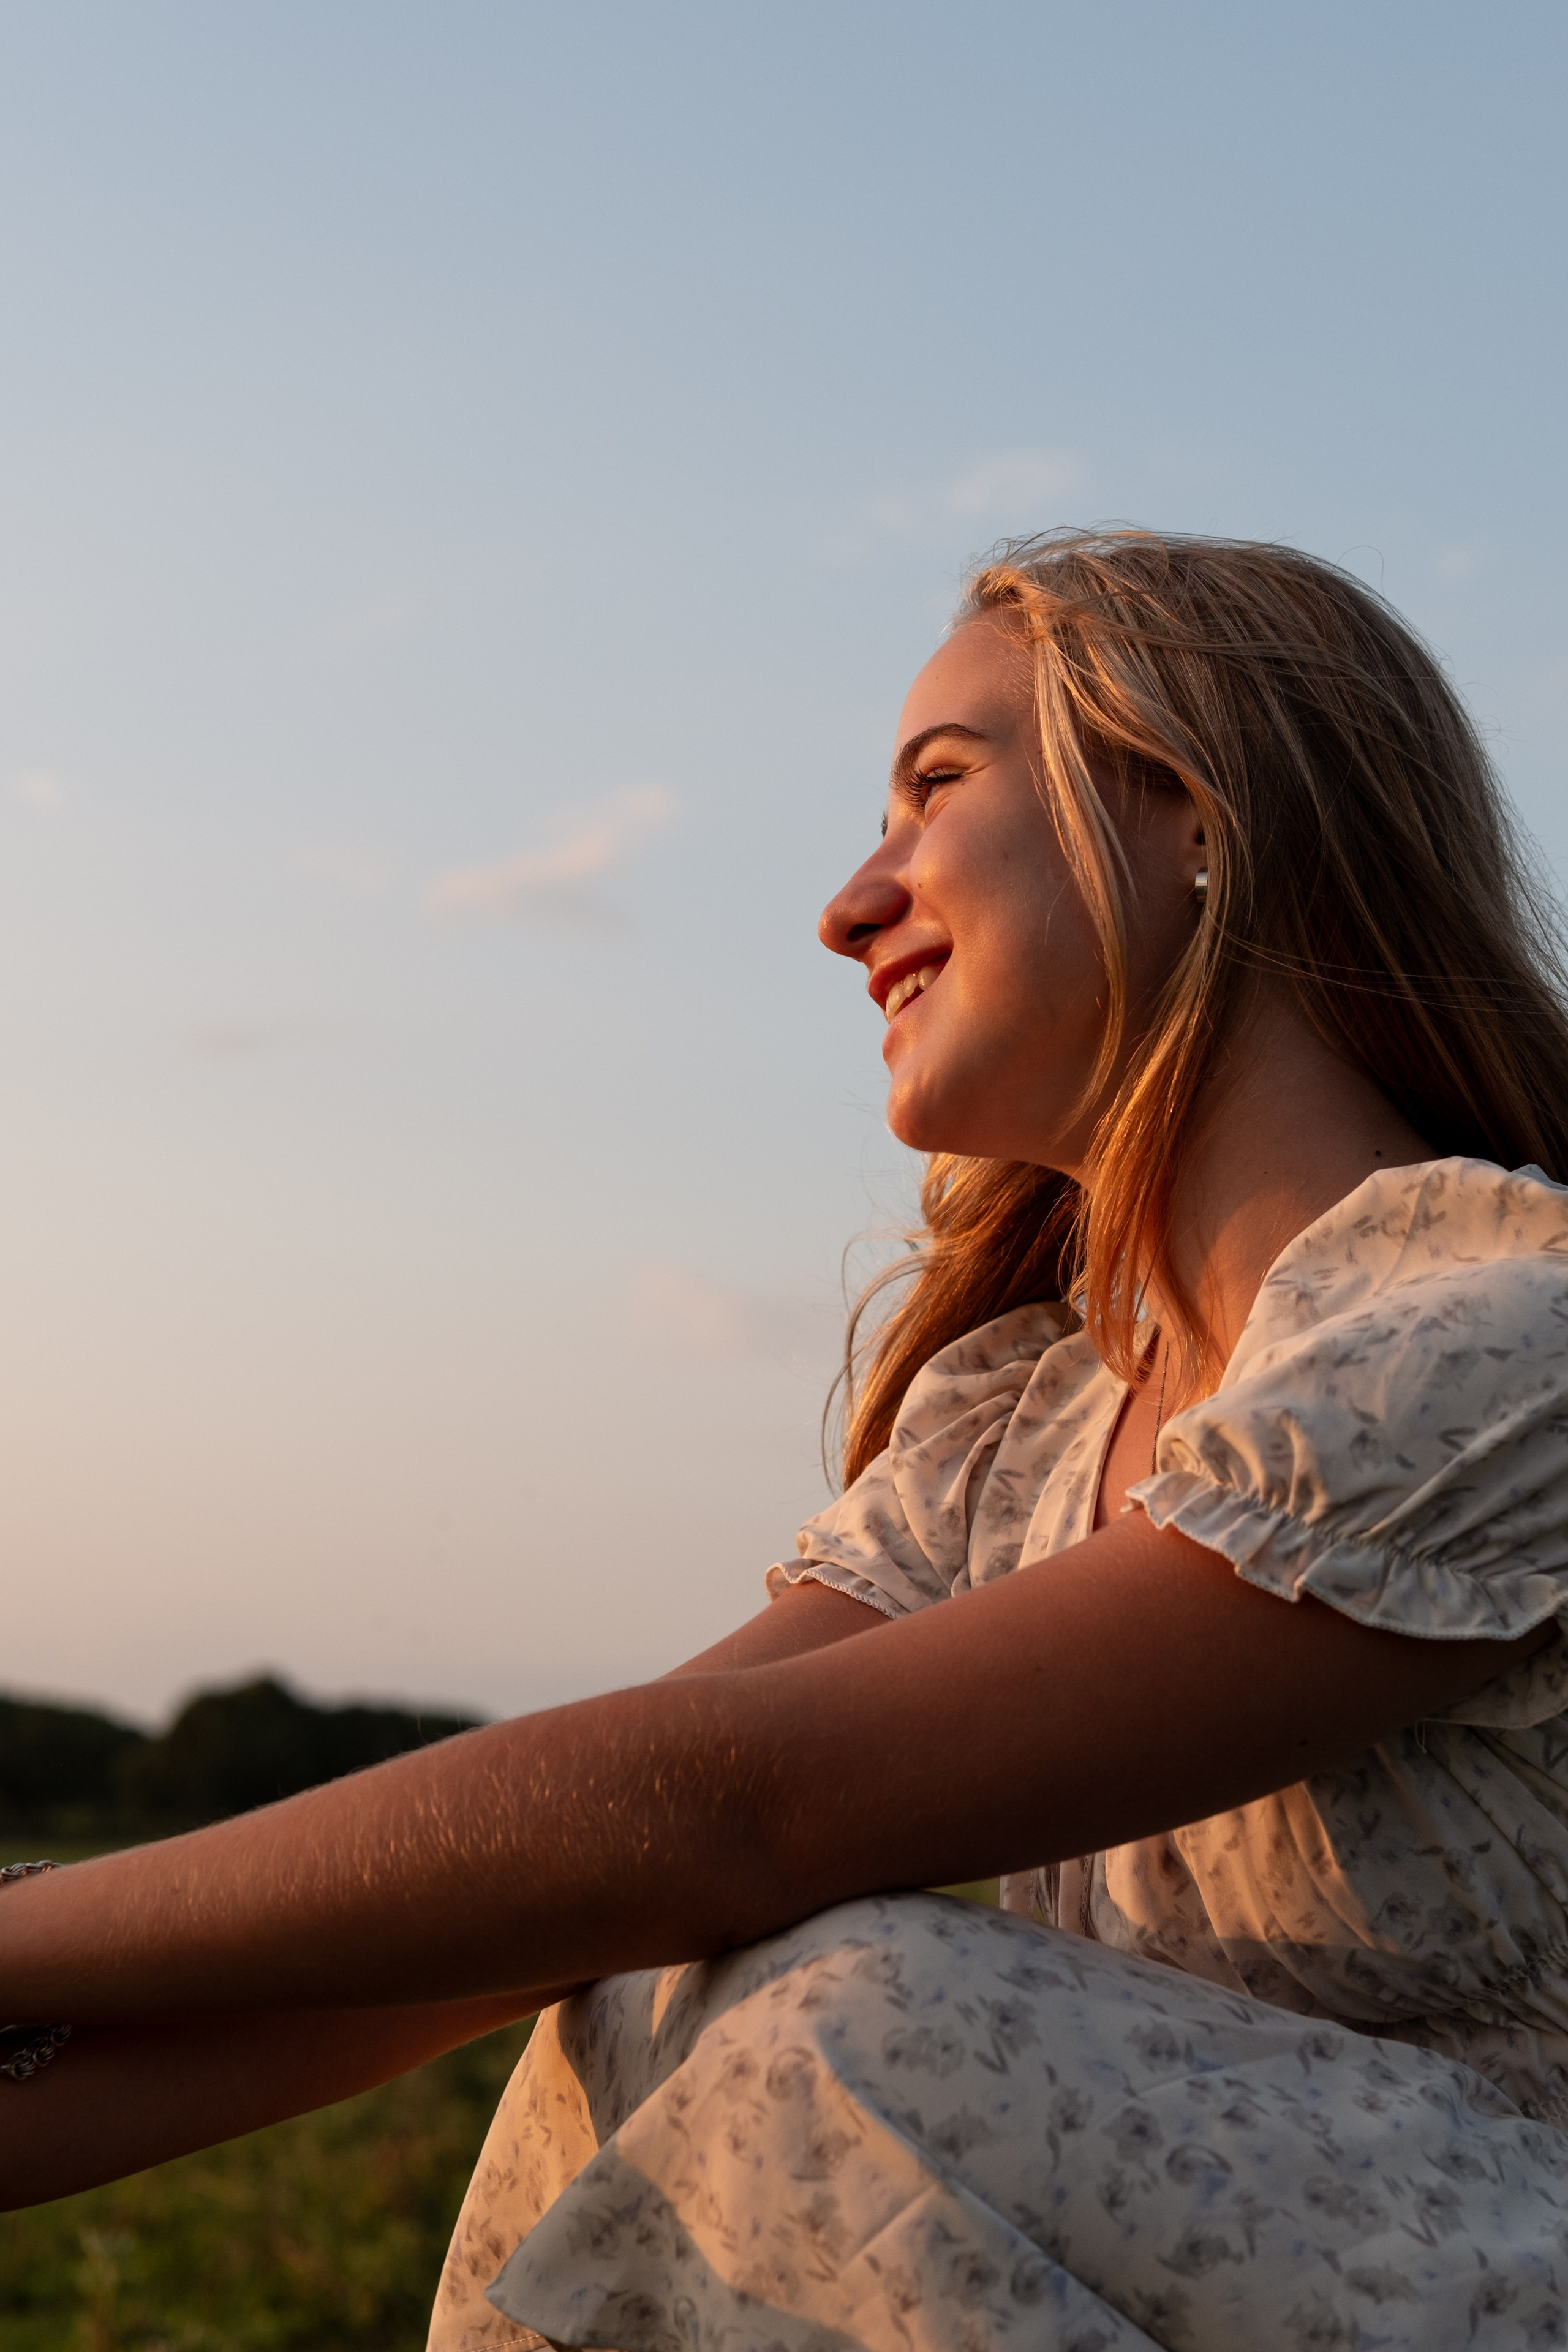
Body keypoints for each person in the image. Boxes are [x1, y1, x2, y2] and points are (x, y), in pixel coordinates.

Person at [6, 529, 1568, 2351]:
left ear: (1194, 809)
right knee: (634, 1969)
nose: (851, 900)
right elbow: (553, 1896)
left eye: (936, 787)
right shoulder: (1027, 1427)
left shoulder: (1493, 1329)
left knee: (856, 2006)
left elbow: (731, 1805)